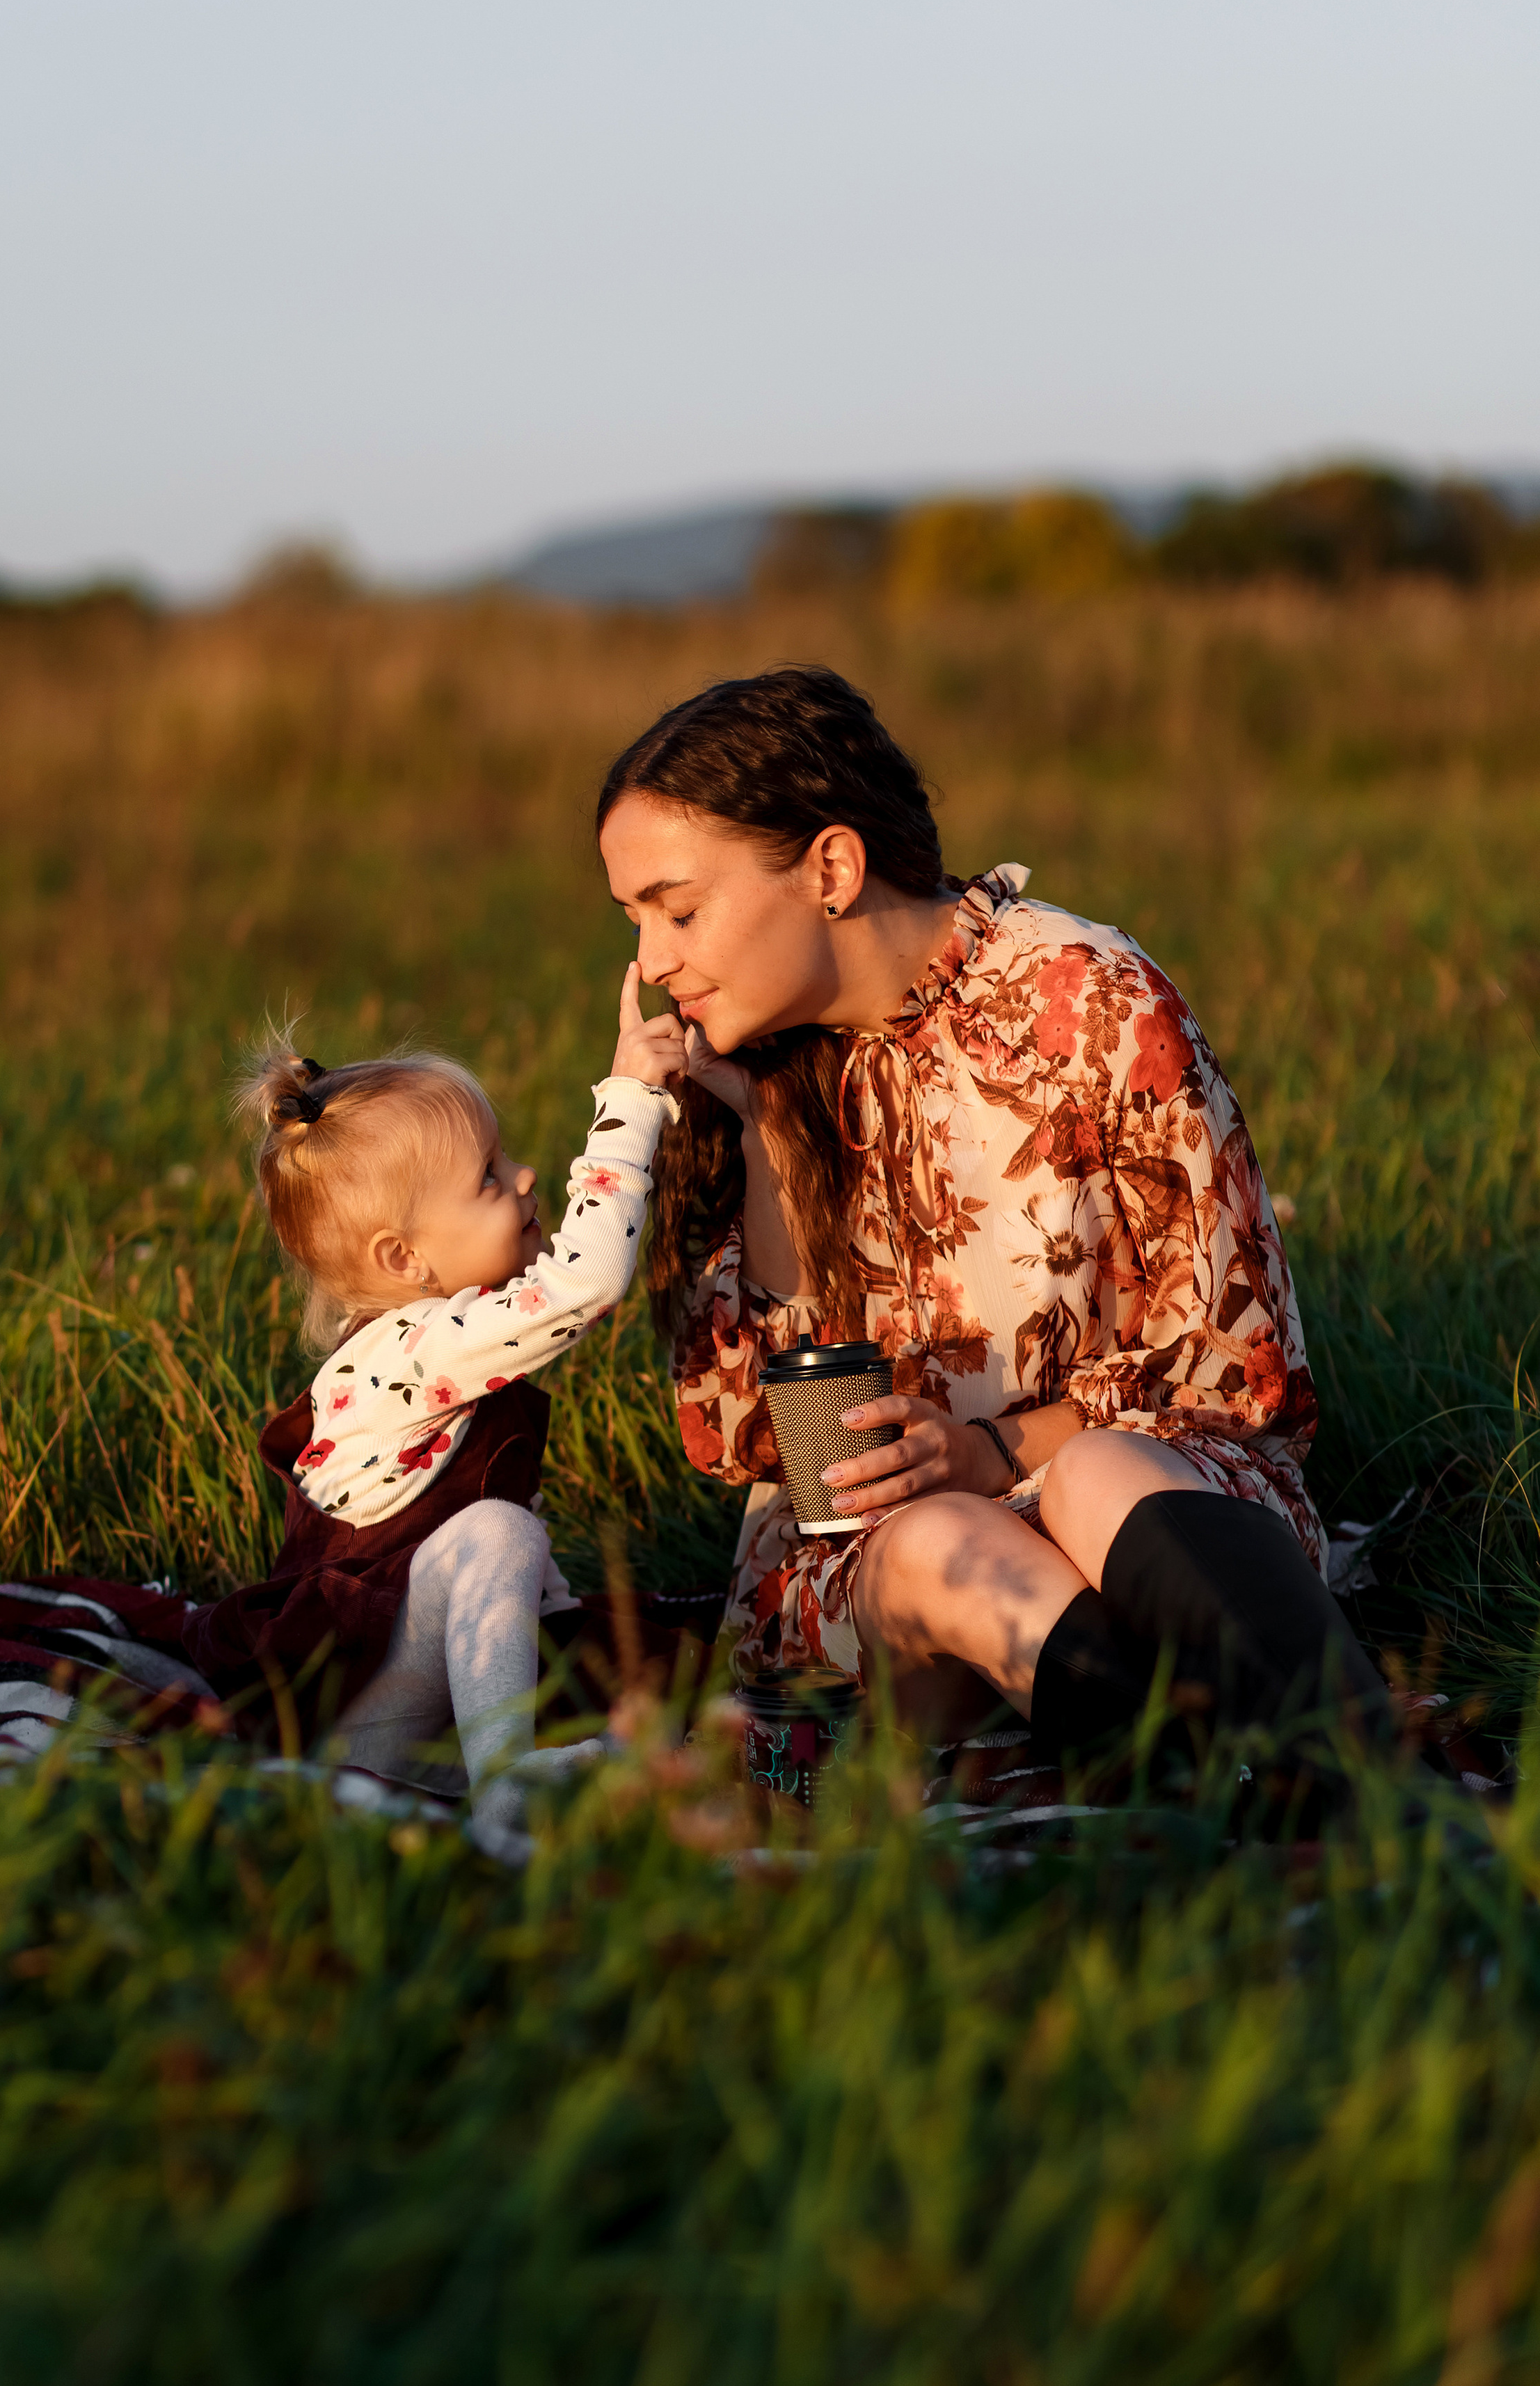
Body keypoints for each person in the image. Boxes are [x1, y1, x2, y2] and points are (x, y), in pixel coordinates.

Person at [596, 665, 1388, 1785]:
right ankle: (1195, 1777)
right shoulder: (749, 1068)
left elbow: (1230, 1377)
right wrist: (767, 1137)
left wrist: (988, 1451)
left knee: (1096, 1476)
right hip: (900, 1592)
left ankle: (1354, 1781)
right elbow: (740, 1437)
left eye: (678, 910)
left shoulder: (1091, 1002)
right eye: (635, 921)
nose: (652, 963)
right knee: (932, 1547)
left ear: (831, 867)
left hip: (1143, 1504)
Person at [232, 966, 685, 1850]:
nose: (522, 1178)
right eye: (487, 1179)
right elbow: (585, 1281)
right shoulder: (417, 1347)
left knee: (646, 1662)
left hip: (400, 1697)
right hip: (357, 1704)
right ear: (405, 1260)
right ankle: (506, 1790)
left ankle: (481, 1768)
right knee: (498, 1536)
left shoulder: (423, 1339)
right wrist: (629, 1101)